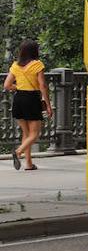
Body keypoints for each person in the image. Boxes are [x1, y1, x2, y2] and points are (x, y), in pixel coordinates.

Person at [5, 40, 52, 170]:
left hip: (19, 99)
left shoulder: (15, 65)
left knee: (26, 134)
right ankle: (18, 152)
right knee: (34, 134)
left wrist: (19, 87)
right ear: (34, 51)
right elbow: (42, 85)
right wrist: (48, 105)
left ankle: (29, 164)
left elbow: (7, 85)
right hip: (32, 99)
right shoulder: (37, 65)